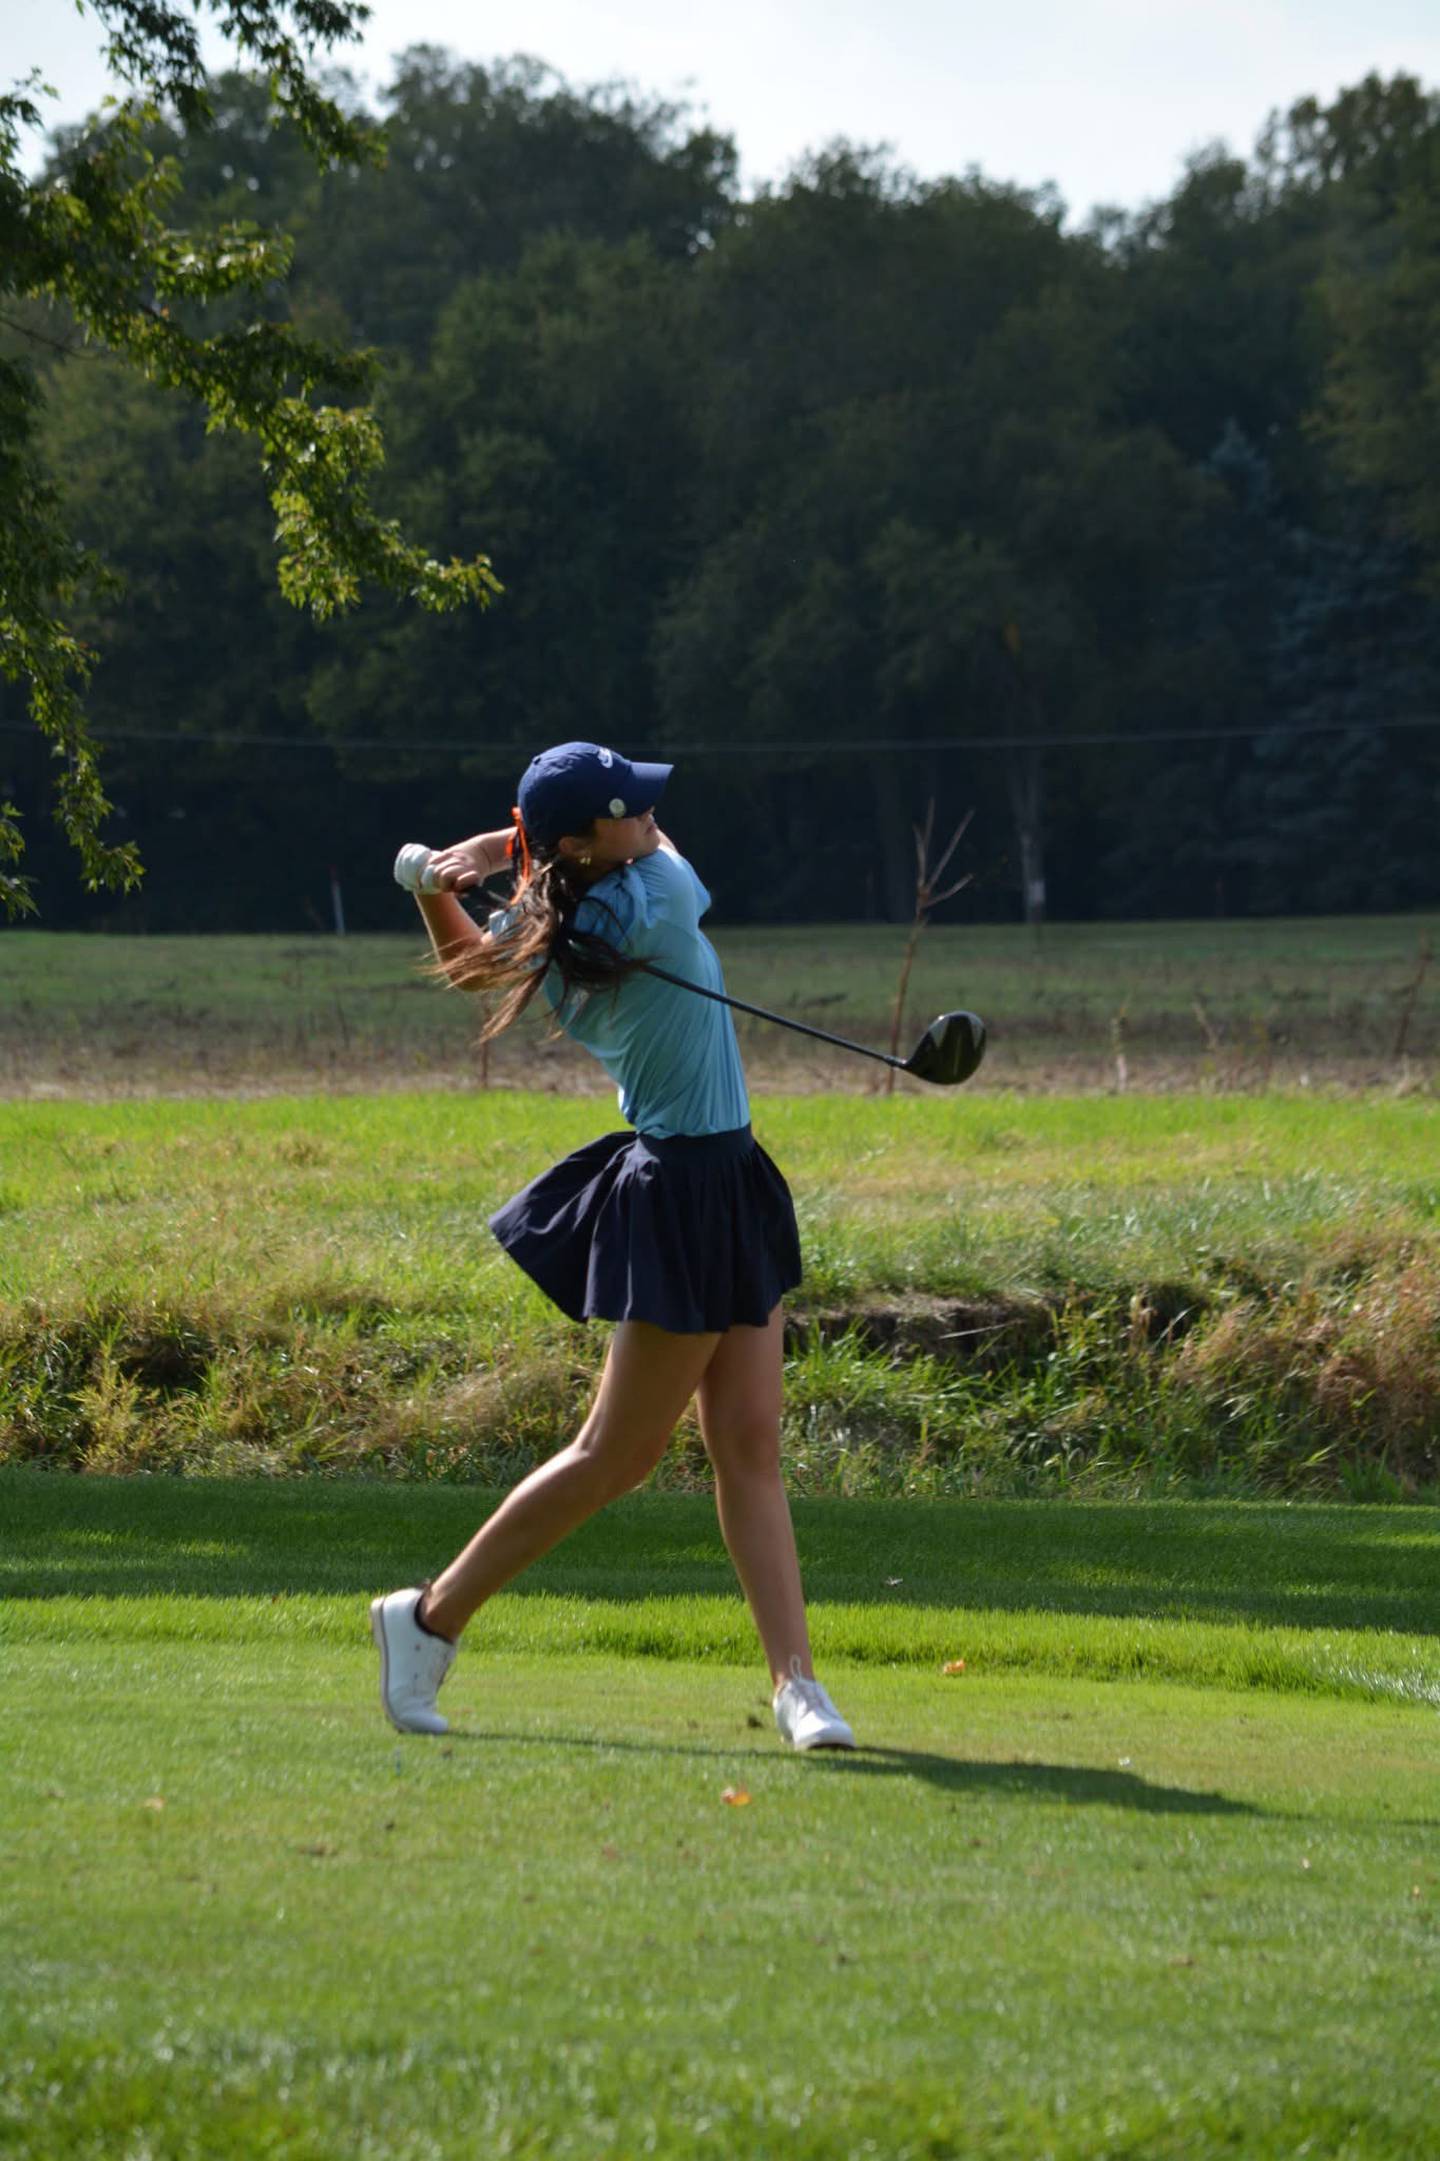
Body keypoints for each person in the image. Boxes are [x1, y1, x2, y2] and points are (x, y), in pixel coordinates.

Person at [370, 742, 856, 1752]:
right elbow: (659, 850)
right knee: (615, 1454)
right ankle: (427, 1618)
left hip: (722, 1176)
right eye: (628, 810)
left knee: (750, 1440)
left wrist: (438, 876)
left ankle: (798, 1685)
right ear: (591, 843)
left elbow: (468, 960)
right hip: (684, 1192)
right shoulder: (658, 895)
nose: (650, 818)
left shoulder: (557, 925)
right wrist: (497, 845)